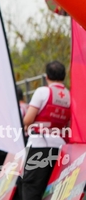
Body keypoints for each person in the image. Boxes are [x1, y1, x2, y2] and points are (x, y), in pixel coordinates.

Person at [21, 61, 71, 200]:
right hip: (60, 148)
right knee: (52, 191)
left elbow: (28, 120)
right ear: (64, 76)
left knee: (32, 188)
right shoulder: (70, 96)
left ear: (46, 76)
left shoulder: (42, 92)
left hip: (39, 145)